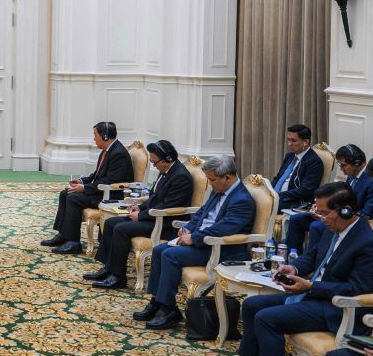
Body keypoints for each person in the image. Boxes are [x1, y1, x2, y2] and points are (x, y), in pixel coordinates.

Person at [219, 182, 373, 356]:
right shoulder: (332, 229)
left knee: (268, 319)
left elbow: (358, 289)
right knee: (251, 305)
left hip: (337, 308)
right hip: (314, 296)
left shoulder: (367, 243)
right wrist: (294, 268)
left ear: (347, 210)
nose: (320, 218)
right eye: (318, 211)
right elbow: (312, 257)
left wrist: (312, 287)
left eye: (324, 212)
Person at [136, 155, 255, 331]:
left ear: (227, 177)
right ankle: (156, 301)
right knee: (159, 249)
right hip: (202, 240)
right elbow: (202, 213)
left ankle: (168, 309)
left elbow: (222, 229)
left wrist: (194, 238)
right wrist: (188, 229)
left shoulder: (242, 200)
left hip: (220, 249)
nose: (210, 183)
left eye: (212, 180)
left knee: (170, 255)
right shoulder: (219, 189)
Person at [84, 140, 193, 290]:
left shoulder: (180, 177)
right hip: (153, 216)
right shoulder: (166, 171)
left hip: (165, 223)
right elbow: (154, 198)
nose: (154, 166)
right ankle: (108, 268)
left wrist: (141, 216)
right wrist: (139, 209)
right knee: (111, 223)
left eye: (155, 162)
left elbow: (167, 207)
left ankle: (118, 277)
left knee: (121, 229)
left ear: (167, 158)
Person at [42, 121, 134, 254]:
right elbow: (97, 175)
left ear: (105, 136)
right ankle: (63, 234)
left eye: (95, 135)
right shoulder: (108, 150)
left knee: (73, 198)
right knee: (65, 193)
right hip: (100, 190)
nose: (94, 138)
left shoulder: (118, 154)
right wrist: (81, 181)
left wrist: (84, 188)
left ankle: (73, 243)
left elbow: (109, 182)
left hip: (110, 195)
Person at [284, 144, 373, 252]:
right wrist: (322, 209)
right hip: (336, 214)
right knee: (296, 219)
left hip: (348, 221)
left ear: (357, 164)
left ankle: (316, 263)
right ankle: (291, 257)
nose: (341, 169)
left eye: (344, 165)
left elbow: (367, 214)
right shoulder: (352, 175)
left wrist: (330, 216)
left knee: (316, 226)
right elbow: (341, 200)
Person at [271, 124, 324, 212]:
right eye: (288, 140)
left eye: (293, 141)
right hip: (277, 196)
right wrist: (270, 192)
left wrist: (279, 196)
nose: (289, 144)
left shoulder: (314, 162)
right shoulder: (290, 156)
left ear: (306, 142)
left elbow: (305, 190)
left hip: (294, 202)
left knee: (262, 206)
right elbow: (278, 178)